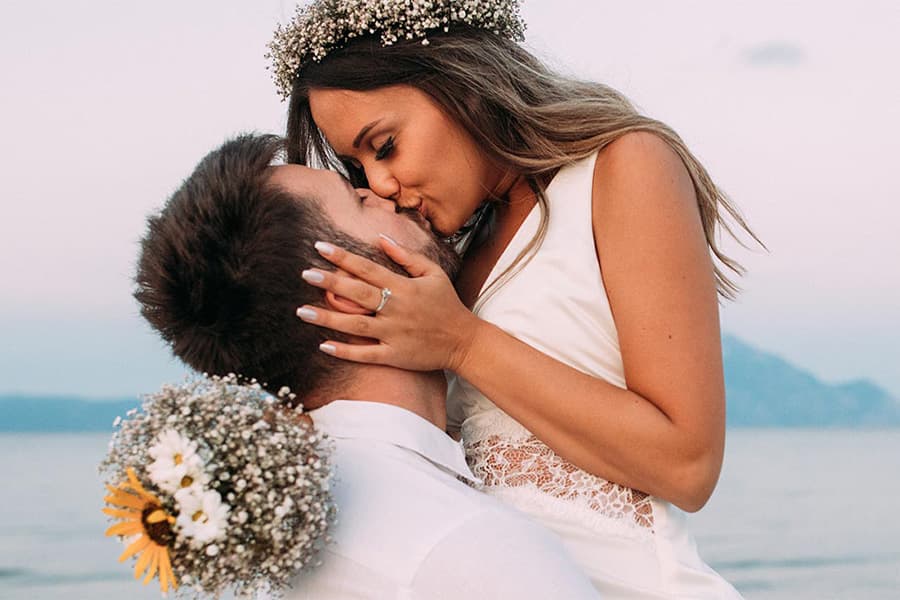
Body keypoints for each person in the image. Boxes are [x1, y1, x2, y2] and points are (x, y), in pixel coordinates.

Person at [271, 0, 754, 596]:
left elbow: (689, 464)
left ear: (460, 85)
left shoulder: (622, 167)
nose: (380, 185)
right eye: (356, 165)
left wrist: (462, 344)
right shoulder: (446, 254)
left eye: (386, 145)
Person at [133, 133, 600, 599]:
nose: (382, 193)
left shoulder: (302, 536)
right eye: (357, 201)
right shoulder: (472, 546)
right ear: (347, 292)